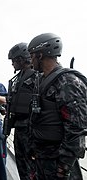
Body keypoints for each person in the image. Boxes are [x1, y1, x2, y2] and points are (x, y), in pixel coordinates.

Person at [28, 33, 87, 180]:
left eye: (32, 56)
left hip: (59, 164)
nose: (31, 61)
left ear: (40, 55)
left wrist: (64, 165)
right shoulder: (42, 81)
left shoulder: (68, 82)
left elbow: (76, 128)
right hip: (43, 158)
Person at [5, 42, 36, 180]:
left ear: (21, 59)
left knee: (33, 169)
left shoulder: (37, 76)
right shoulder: (18, 78)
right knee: (22, 167)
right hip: (19, 129)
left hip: (32, 131)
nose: (12, 64)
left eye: (14, 60)